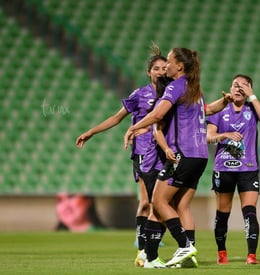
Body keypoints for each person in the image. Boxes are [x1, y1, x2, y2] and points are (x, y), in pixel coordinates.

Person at [124, 47, 232, 268]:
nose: (167, 66)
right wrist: (222, 103)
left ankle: (185, 245)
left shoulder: (176, 86)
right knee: (180, 205)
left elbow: (157, 114)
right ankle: (153, 258)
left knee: (159, 201)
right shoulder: (194, 88)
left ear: (179, 66)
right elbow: (205, 111)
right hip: (200, 156)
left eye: (170, 62)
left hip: (183, 154)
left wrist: (134, 128)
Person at [75, 44, 167, 267]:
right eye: (156, 68)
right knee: (147, 203)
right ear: (149, 72)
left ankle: (151, 250)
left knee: (163, 204)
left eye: (164, 68)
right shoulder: (140, 94)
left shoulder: (173, 92)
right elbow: (117, 118)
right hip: (144, 152)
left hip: (166, 151)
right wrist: (91, 132)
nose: (161, 71)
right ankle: (143, 251)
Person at [206, 74, 260, 265]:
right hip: (223, 168)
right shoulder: (220, 109)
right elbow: (208, 137)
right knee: (222, 213)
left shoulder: (252, 108)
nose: (239, 88)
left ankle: (251, 255)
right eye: (235, 85)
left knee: (249, 211)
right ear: (230, 88)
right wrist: (224, 134)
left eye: (244, 86)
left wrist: (253, 96)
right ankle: (222, 253)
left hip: (248, 168)